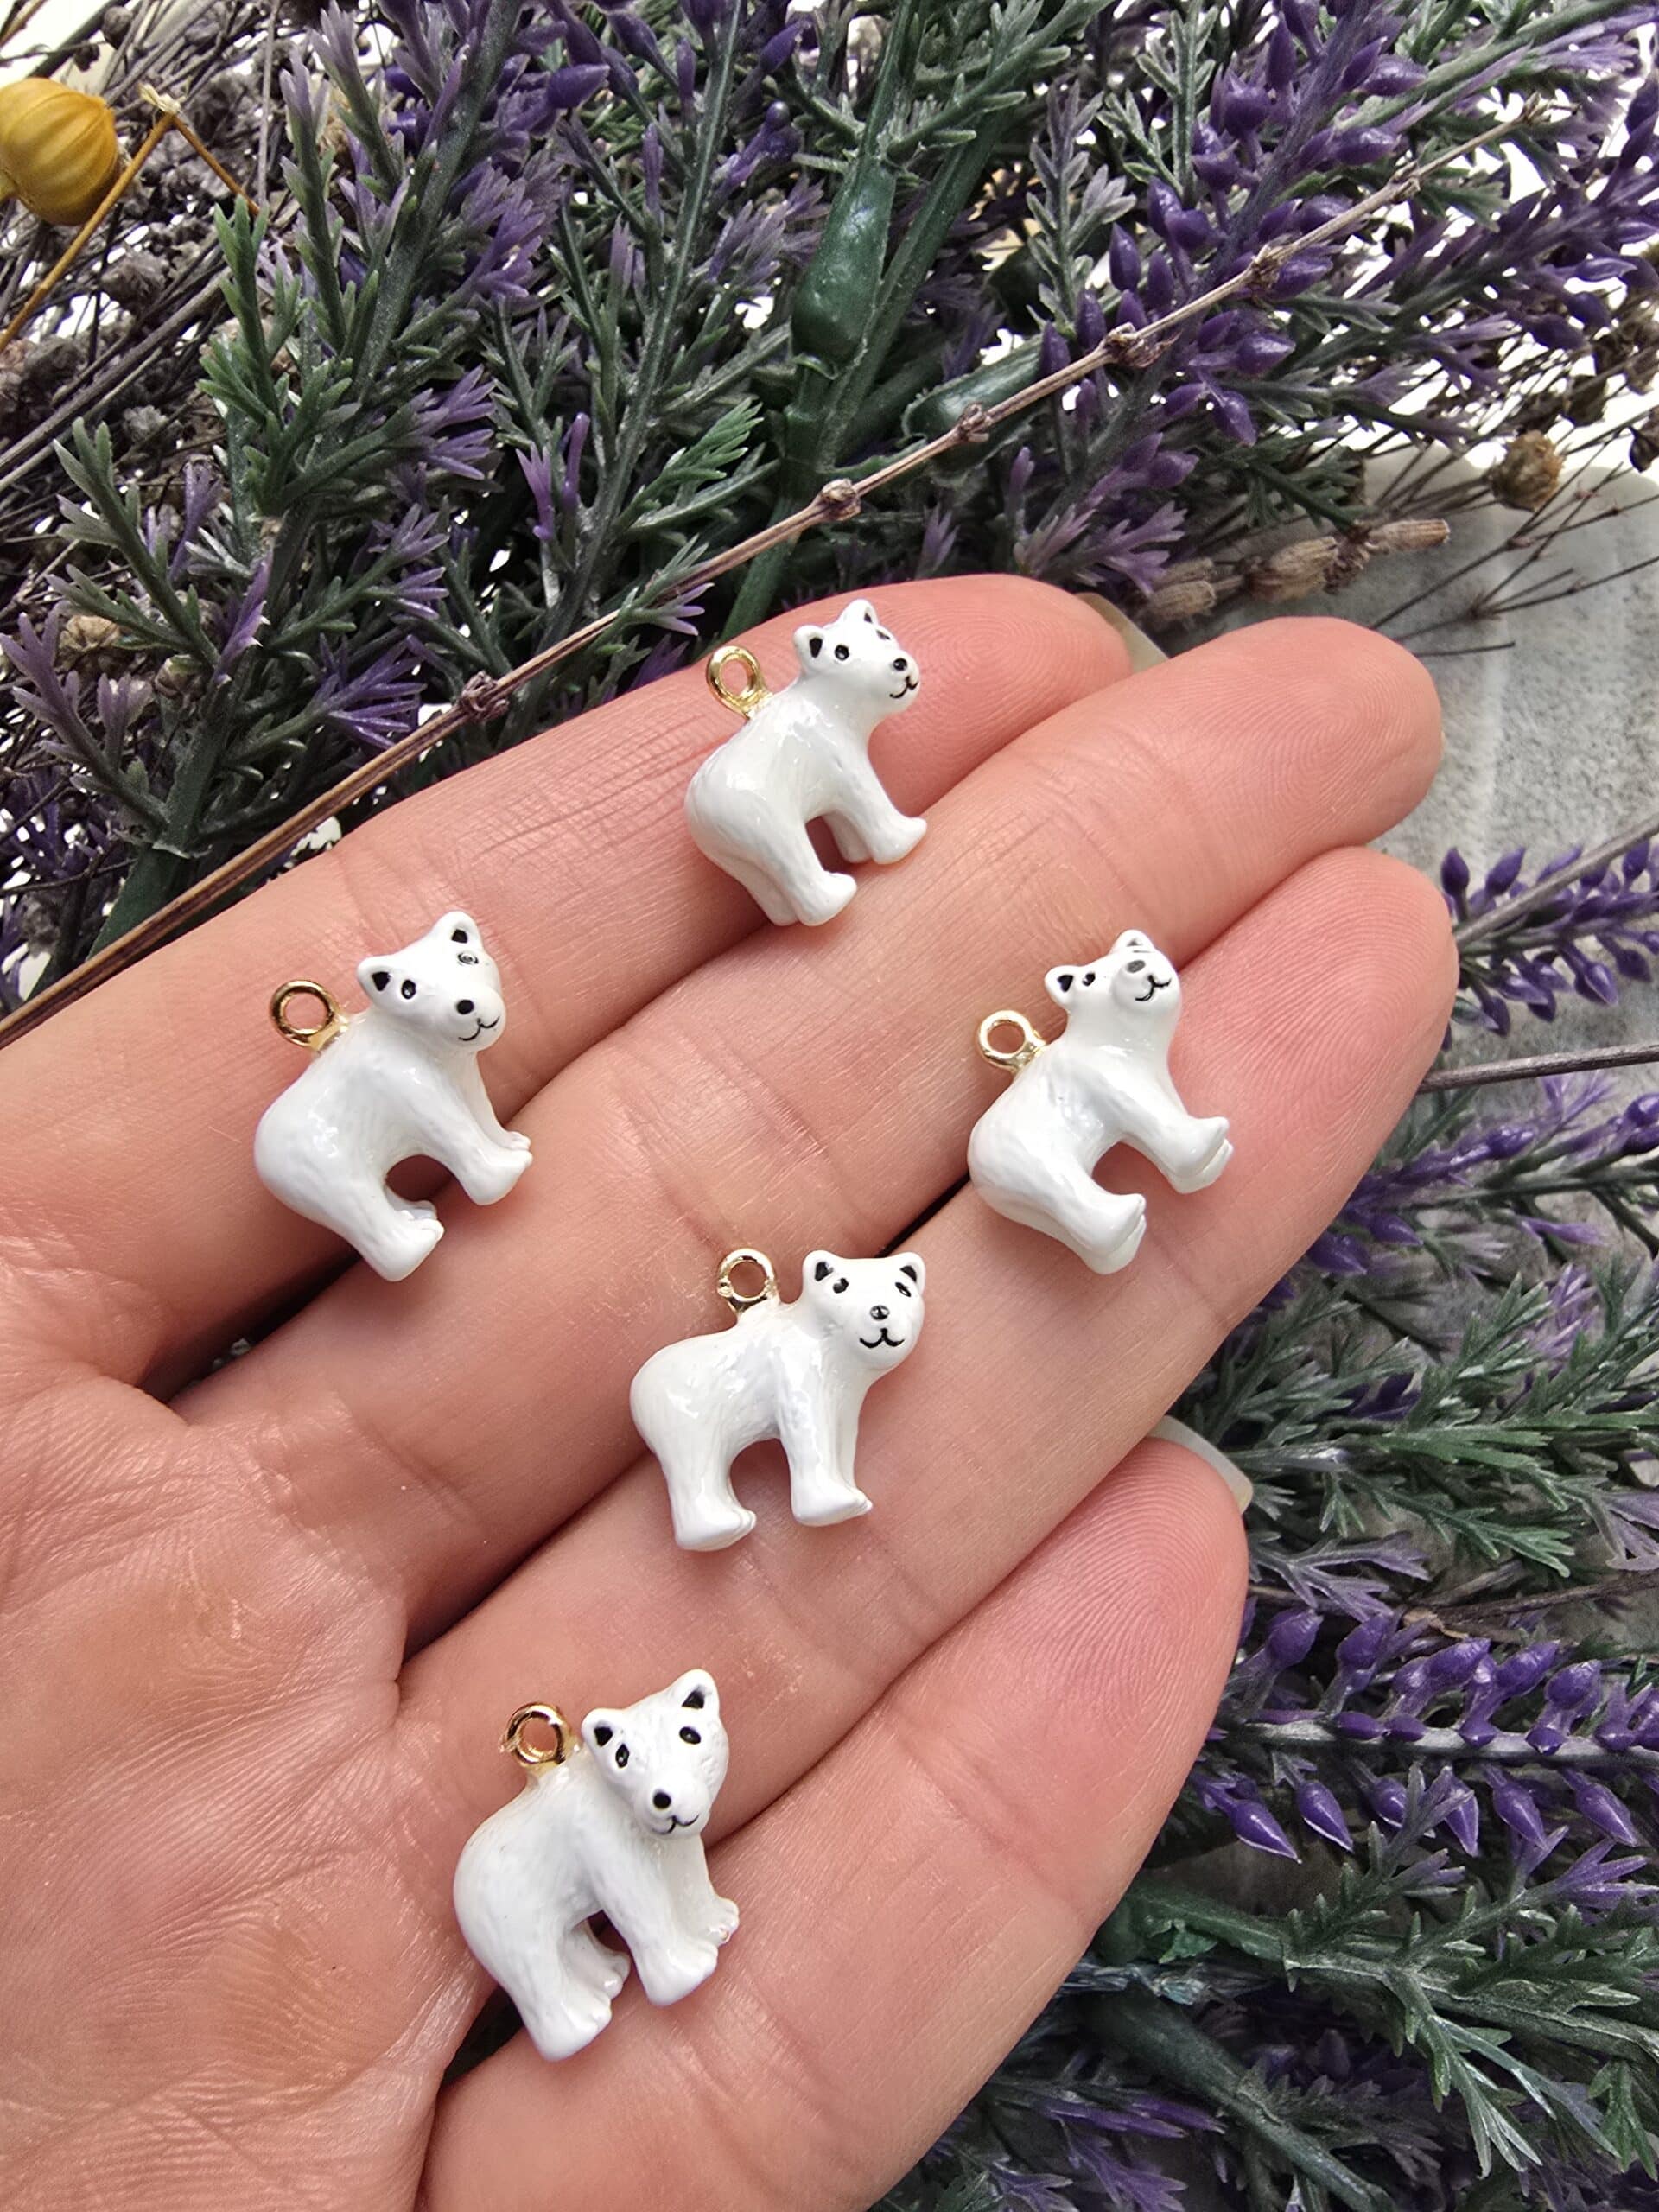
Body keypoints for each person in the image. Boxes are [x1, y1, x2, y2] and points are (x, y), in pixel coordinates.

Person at [0, 577, 1451, 2210]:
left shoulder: (803, 1369)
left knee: (680, 1792)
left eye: (893, 1309)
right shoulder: (643, 1687)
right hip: (647, 1377)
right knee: (687, 1562)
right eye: (449, 1001)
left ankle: (575, 1203)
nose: (471, 1013)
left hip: (782, 1260)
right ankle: (488, 1292)